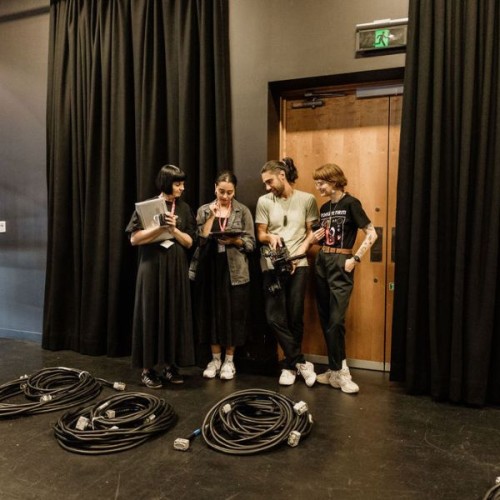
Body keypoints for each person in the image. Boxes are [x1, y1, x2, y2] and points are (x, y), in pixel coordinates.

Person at [126, 164, 197, 388]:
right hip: (151, 267)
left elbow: (190, 242)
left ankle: (169, 366)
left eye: (182, 183)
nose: (182, 188)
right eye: (178, 184)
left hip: (175, 267)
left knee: (172, 312)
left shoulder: (184, 209)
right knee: (150, 313)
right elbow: (134, 239)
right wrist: (159, 228)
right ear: (167, 183)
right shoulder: (147, 207)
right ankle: (147, 369)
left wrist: (174, 229)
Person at [311, 163, 378, 394]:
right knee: (325, 317)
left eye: (321, 182)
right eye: (316, 182)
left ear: (334, 182)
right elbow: (324, 237)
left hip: (342, 263)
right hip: (322, 261)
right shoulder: (324, 207)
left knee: (336, 321)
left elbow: (372, 233)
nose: (317, 186)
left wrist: (356, 258)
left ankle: (343, 372)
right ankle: (333, 370)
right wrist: (316, 237)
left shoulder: (351, 203)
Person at [255, 157, 319, 386]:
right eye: (265, 183)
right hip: (273, 266)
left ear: (282, 175)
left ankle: (290, 367)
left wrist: (300, 253)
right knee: (274, 317)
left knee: (295, 316)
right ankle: (300, 361)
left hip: (299, 265)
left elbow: (314, 233)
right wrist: (270, 236)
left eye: (270, 181)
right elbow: (260, 233)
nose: (267, 186)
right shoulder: (264, 201)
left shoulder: (307, 200)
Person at [189, 171, 256, 380]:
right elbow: (199, 240)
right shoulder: (203, 210)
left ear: (235, 191)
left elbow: (251, 244)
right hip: (209, 267)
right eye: (221, 191)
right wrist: (211, 215)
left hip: (234, 270)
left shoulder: (242, 211)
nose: (225, 196)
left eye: (229, 192)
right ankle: (214, 359)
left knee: (233, 316)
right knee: (210, 315)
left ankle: (229, 361)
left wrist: (235, 241)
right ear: (214, 188)